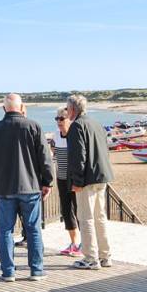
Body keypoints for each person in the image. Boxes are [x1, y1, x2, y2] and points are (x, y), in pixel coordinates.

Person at [0, 93, 53, 282]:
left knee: (5, 230)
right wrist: (47, 182)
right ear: (22, 107)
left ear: (3, 108)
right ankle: (36, 270)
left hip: (4, 187)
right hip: (30, 186)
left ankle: (8, 272)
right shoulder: (33, 126)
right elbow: (45, 157)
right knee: (33, 229)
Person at [65, 94, 114, 270]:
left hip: (87, 179)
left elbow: (78, 157)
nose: (66, 112)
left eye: (67, 109)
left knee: (86, 218)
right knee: (100, 217)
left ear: (72, 109)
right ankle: (105, 256)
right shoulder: (96, 124)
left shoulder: (77, 126)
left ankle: (91, 258)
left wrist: (77, 181)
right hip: (102, 176)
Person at [51, 106, 80, 256]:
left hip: (74, 179)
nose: (59, 121)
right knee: (66, 211)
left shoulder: (74, 135)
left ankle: (84, 244)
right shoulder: (56, 135)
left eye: (62, 118)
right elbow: (53, 153)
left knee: (79, 211)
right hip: (61, 178)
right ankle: (74, 243)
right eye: (57, 118)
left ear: (69, 119)